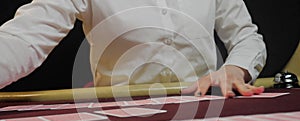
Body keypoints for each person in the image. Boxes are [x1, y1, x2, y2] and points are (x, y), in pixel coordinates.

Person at [0, 0, 266, 97]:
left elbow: (246, 37)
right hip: (118, 117)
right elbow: (23, 39)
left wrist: (235, 69)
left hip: (206, 109)